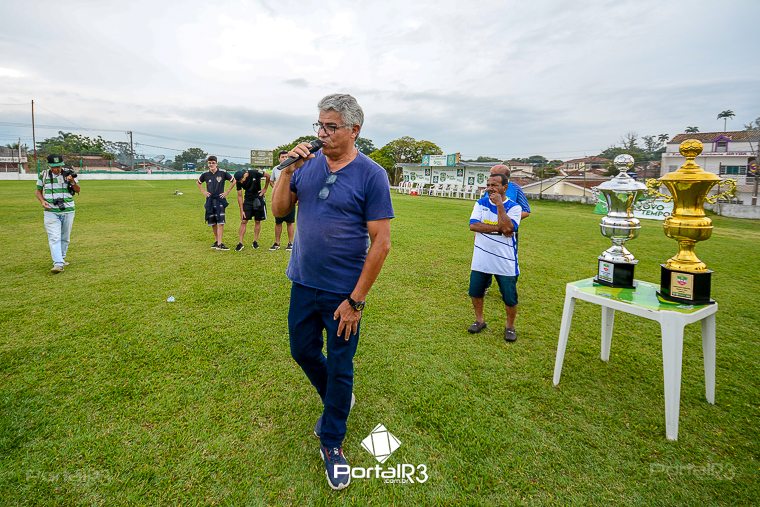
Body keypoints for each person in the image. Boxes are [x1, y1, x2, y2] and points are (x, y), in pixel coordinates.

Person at [272, 93, 393, 491]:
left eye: (331, 126)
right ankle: (339, 398)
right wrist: (287, 172)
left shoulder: (371, 174)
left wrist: (356, 301)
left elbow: (381, 243)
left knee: (340, 365)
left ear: (354, 130)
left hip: (343, 293)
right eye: (319, 125)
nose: (322, 133)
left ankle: (332, 442)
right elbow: (279, 211)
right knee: (302, 351)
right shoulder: (306, 164)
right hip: (303, 282)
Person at [467, 173, 522, 342]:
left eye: (495, 185)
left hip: (505, 261)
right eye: (488, 185)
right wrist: (499, 228)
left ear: (505, 187)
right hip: (481, 259)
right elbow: (473, 225)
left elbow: (509, 229)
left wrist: (499, 205)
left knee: (509, 297)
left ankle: (510, 327)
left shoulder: (514, 207)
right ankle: (479, 320)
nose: (490, 188)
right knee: (476, 292)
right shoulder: (480, 203)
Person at [35, 154, 80, 273]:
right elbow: (38, 191)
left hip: (68, 210)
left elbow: (78, 190)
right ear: (49, 165)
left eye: (59, 166)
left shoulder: (69, 173)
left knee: (65, 238)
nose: (57, 169)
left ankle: (62, 258)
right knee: (54, 237)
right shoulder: (43, 175)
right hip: (50, 211)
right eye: (54, 167)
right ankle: (58, 264)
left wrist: (72, 181)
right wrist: (42, 201)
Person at [196, 156, 236, 251]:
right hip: (210, 200)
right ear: (208, 164)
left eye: (213, 163)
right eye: (209, 163)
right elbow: (198, 182)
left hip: (219, 200)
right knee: (213, 222)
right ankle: (217, 241)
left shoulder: (223, 173)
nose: (211, 164)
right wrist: (203, 191)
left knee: (220, 222)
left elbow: (234, 181)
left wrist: (227, 192)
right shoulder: (205, 174)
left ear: (216, 163)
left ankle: (220, 244)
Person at [233, 166, 270, 251]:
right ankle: (240, 243)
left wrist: (265, 189)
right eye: (239, 181)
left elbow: (268, 176)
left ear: (244, 175)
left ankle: (255, 241)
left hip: (258, 198)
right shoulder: (239, 181)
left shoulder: (255, 172)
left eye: (242, 180)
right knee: (244, 221)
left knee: (257, 221)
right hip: (248, 200)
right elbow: (239, 195)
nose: (241, 182)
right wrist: (241, 210)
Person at [269, 150, 296, 251]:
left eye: (286, 157)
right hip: (278, 201)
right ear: (279, 159)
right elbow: (271, 181)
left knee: (290, 222)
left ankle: (290, 243)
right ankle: (277, 243)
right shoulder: (276, 169)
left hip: (290, 199)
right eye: (283, 157)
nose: (285, 158)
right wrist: (276, 191)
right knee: (278, 222)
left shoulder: (294, 167)